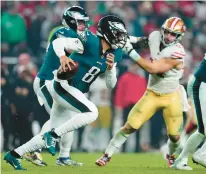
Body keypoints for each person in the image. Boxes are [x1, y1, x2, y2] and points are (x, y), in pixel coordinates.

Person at [4, 14, 127, 170]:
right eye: (118, 33)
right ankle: (53, 136)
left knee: (53, 128)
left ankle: (14, 155)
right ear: (107, 32)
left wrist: (110, 70)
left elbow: (111, 85)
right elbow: (58, 42)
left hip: (74, 90)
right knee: (92, 113)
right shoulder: (89, 41)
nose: (121, 38)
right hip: (63, 85)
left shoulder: (116, 54)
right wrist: (63, 57)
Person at [96, 17, 188, 167]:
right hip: (152, 93)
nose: (168, 36)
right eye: (166, 32)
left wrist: (130, 52)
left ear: (179, 37)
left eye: (173, 34)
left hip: (172, 96)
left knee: (175, 136)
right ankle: (107, 155)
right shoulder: (155, 36)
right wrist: (121, 38)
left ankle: (170, 155)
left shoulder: (177, 53)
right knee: (129, 126)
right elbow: (140, 41)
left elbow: (152, 68)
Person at [20, 6, 90, 167]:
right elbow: (77, 47)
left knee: (69, 119)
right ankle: (34, 151)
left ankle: (63, 157)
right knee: (60, 119)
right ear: (70, 21)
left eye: (84, 22)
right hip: (47, 80)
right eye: (80, 22)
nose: (83, 26)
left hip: (58, 81)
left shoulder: (76, 35)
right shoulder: (62, 32)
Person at [173, 54, 206, 170]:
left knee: (202, 131)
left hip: (201, 83)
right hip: (202, 84)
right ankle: (201, 155)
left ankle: (181, 160)